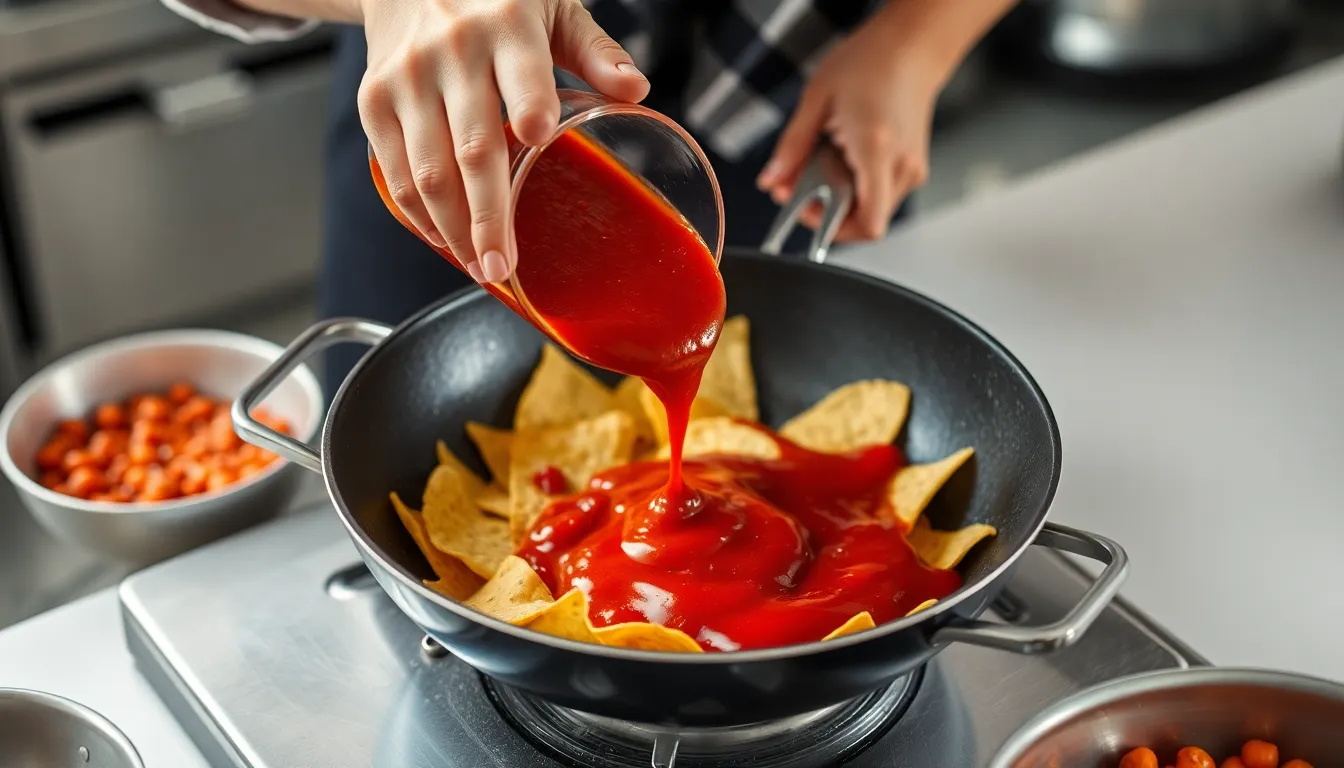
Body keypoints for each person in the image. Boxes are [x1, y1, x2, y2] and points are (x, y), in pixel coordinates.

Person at [161, 0, 1016, 395]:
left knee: (797, 362)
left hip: (799, 107)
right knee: (398, 406)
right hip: (457, 107)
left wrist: (917, 38)